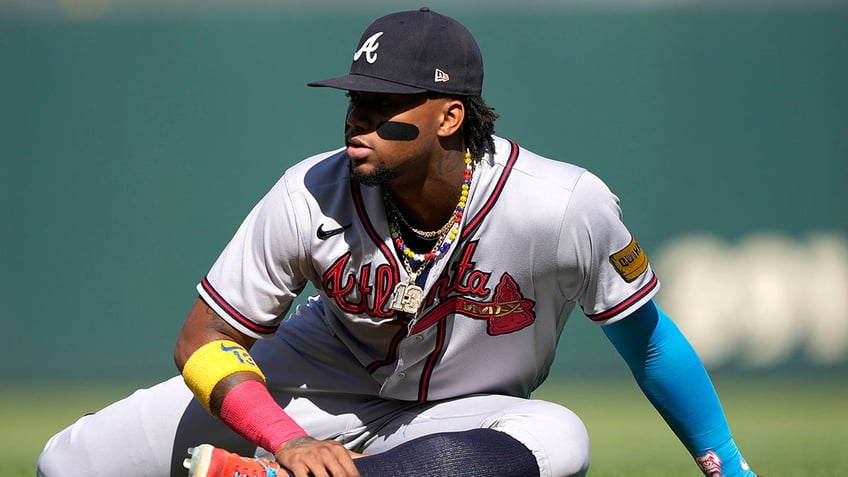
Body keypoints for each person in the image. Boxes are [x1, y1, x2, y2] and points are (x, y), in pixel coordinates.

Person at [37, 7, 762, 477]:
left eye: (384, 104)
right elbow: (202, 340)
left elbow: (652, 342)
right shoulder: (310, 192)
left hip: (457, 423)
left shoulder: (563, 205)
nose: (357, 117)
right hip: (312, 389)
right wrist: (285, 437)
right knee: (66, 462)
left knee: (560, 438)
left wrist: (728, 466)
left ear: (449, 117)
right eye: (355, 97)